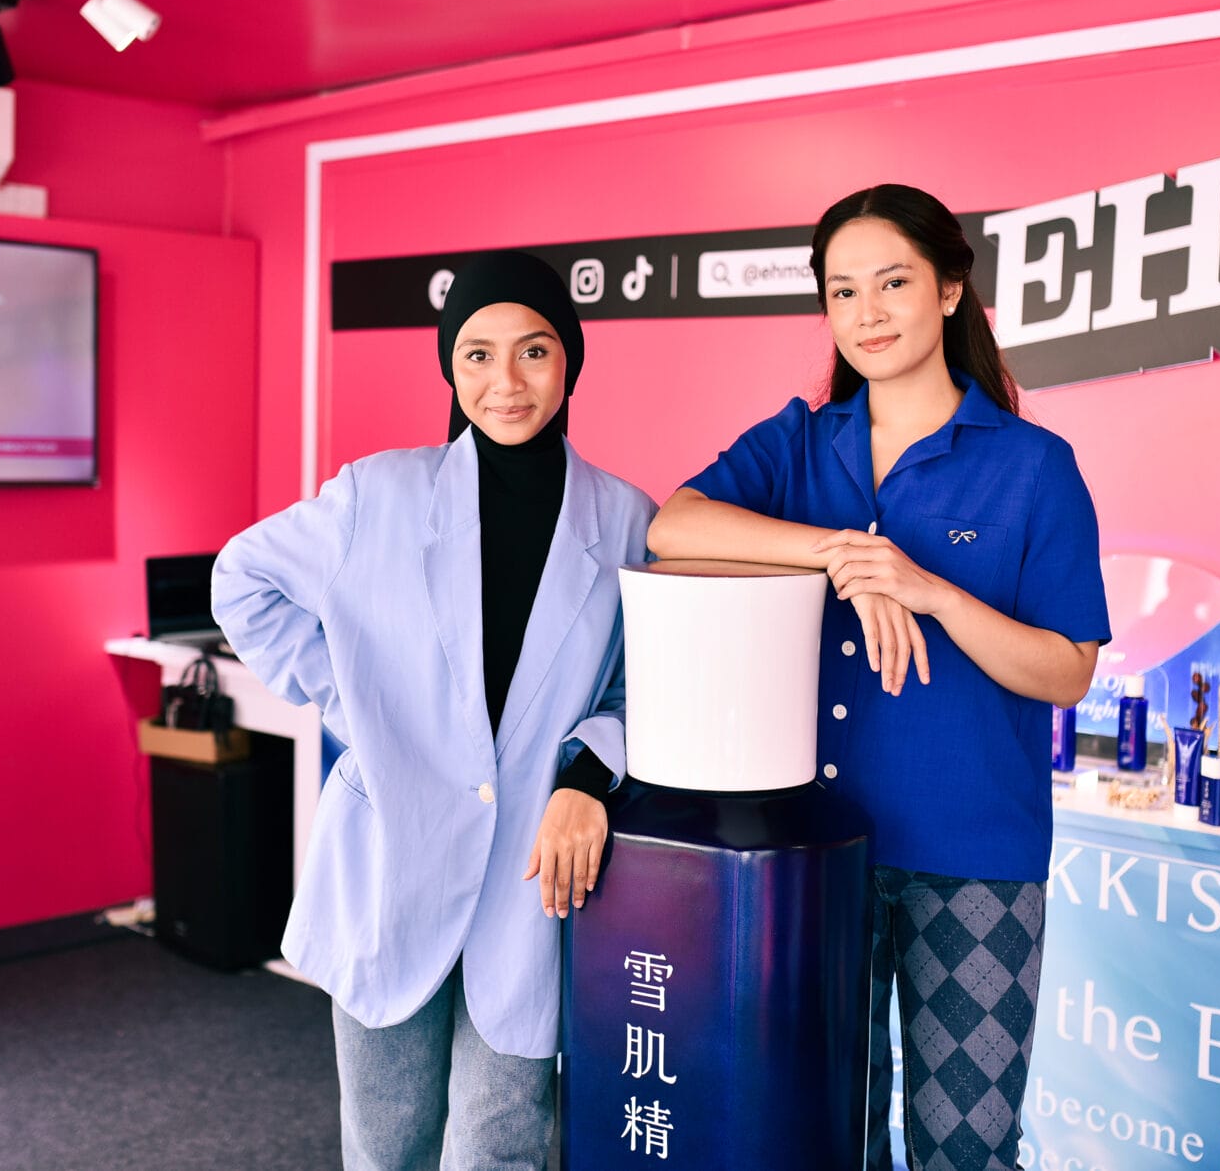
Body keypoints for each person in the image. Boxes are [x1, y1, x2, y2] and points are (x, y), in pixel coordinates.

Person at [646, 184, 1110, 1171]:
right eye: (843, 291)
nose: (867, 313)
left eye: (893, 283)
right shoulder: (799, 444)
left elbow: (1067, 670)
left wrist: (927, 589)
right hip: (816, 851)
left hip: (974, 858)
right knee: (822, 1136)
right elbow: (673, 526)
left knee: (965, 1148)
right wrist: (840, 552)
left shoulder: (1034, 466)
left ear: (949, 289)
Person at [212, 250, 654, 1171]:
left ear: (570, 362)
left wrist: (588, 776)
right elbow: (241, 579)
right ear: (451, 368)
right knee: (389, 1142)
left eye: (534, 351)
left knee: (502, 1137)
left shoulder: (624, 519)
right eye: (478, 355)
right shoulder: (378, 492)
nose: (506, 382)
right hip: (391, 859)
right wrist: (352, 700)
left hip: (530, 876)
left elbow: (639, 681)